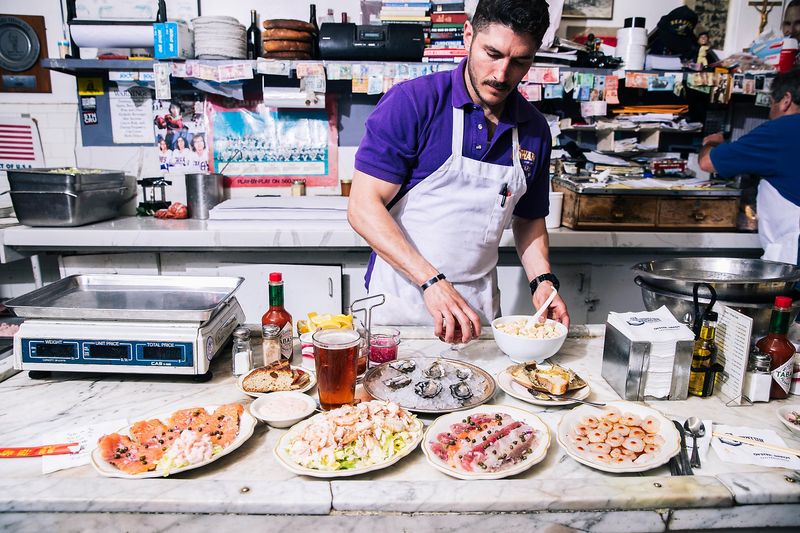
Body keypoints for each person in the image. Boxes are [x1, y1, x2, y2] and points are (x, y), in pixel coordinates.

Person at [347, 0, 568, 344]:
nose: (501, 74)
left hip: (478, 314)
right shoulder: (413, 103)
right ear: (468, 36)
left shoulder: (534, 129)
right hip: (401, 310)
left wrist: (542, 281)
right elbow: (363, 207)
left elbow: (528, 219)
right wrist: (431, 282)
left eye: (519, 61)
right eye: (492, 53)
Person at [698, 68, 800, 264]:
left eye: (772, 103)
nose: (770, 112)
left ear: (786, 100)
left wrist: (712, 143)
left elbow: (707, 162)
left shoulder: (782, 130)